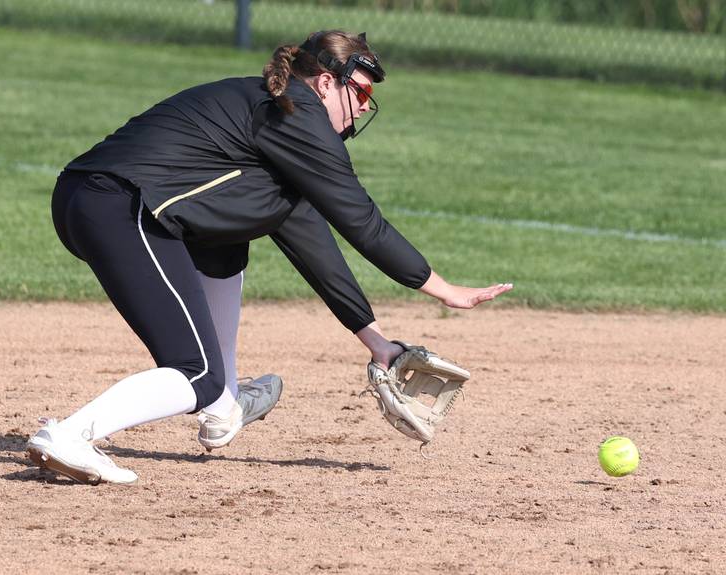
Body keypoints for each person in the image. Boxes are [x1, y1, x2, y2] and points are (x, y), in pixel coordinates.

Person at [26, 30, 513, 485]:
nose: (363, 109)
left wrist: (377, 342)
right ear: (326, 82)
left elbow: (308, 239)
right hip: (122, 207)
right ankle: (71, 434)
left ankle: (223, 406)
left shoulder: (276, 114)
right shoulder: (298, 115)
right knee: (194, 370)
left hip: (86, 198)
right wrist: (442, 288)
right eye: (359, 94)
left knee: (228, 241)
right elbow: (361, 221)